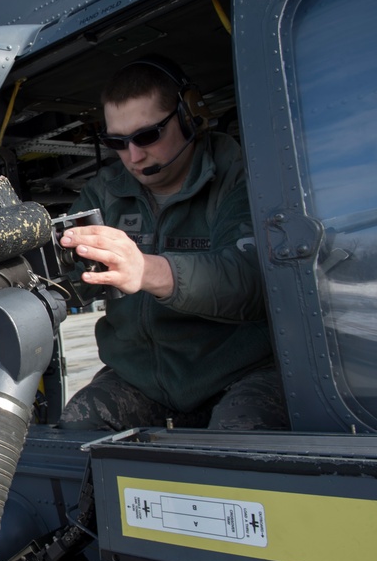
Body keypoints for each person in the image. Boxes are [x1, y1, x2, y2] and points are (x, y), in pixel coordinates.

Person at [56, 55, 288, 431]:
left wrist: (146, 270)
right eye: (117, 141)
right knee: (79, 430)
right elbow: (65, 272)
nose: (133, 156)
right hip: (143, 380)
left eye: (147, 136)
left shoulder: (238, 177)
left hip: (238, 373)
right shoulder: (104, 193)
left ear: (188, 116)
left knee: (244, 436)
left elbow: (252, 280)